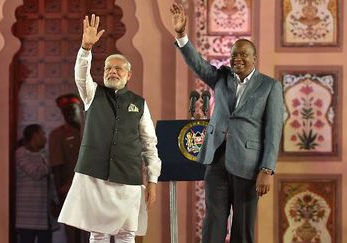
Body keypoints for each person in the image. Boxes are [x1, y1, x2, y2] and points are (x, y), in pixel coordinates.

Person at [170, 3, 284, 243]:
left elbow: (273, 131)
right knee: (214, 221)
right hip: (217, 160)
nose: (237, 58)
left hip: (249, 165)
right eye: (234, 54)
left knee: (243, 228)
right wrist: (182, 36)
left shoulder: (269, 86)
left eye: (243, 54)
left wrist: (267, 169)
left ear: (255, 58)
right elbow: (198, 64)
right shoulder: (221, 77)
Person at [58, 14, 161, 243]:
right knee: (98, 233)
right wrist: (86, 47)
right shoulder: (92, 94)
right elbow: (80, 75)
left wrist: (152, 181)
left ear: (128, 75)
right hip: (96, 177)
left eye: (118, 69)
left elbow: (149, 144)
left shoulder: (139, 103)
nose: (112, 72)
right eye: (108, 68)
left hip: (129, 179)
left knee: (127, 234)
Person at [49, 93, 88, 243]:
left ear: (79, 109)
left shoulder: (90, 129)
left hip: (93, 188)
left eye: (72, 109)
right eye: (65, 111)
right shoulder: (58, 134)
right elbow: (56, 167)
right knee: (73, 233)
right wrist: (59, 196)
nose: (69, 113)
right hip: (70, 189)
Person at [15, 124, 57, 243]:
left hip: (44, 214)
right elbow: (36, 173)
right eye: (42, 134)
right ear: (34, 135)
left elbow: (51, 180)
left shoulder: (44, 154)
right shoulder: (20, 154)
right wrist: (51, 163)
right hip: (27, 214)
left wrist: (54, 200)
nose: (45, 138)